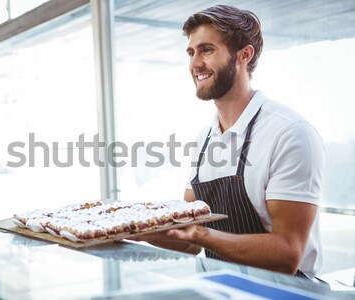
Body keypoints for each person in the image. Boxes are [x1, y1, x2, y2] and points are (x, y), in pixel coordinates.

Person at [132, 5, 324, 279]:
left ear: (244, 55)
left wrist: (202, 233)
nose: (195, 64)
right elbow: (187, 242)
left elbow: (287, 255)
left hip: (287, 292)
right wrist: (139, 229)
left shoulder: (289, 133)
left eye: (207, 50)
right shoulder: (205, 139)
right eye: (191, 52)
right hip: (224, 287)